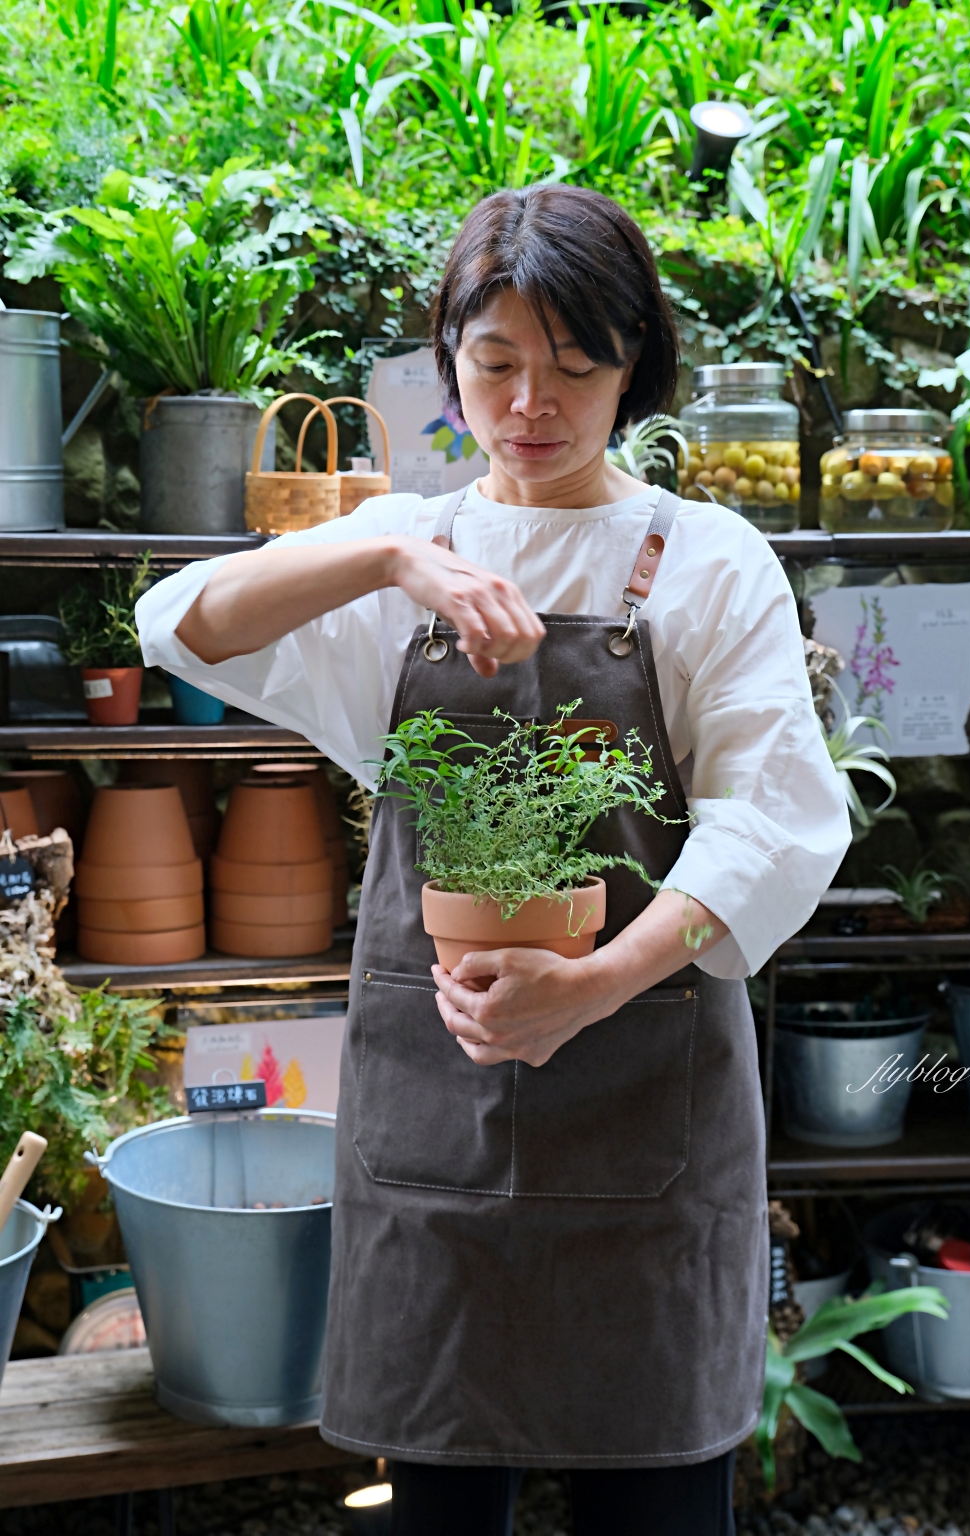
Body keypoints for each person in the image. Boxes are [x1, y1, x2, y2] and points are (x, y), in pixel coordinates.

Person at [137, 184, 850, 1536]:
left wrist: (596, 984)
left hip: (648, 1109)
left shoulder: (707, 562)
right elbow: (183, 623)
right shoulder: (407, 551)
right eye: (496, 362)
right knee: (440, 1507)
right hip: (436, 1112)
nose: (532, 403)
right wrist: (390, 555)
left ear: (634, 365)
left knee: (659, 1509)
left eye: (576, 365)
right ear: (448, 361)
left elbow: (773, 823)